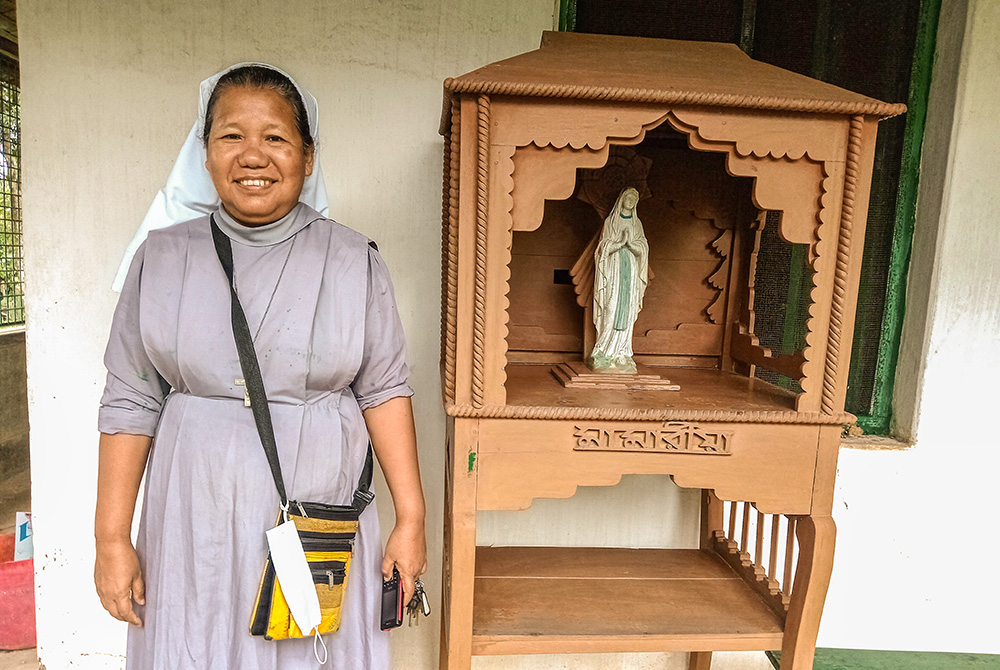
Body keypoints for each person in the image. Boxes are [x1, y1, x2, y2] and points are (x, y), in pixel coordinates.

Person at [94, 63, 426, 669]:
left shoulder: (353, 260)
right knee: (198, 640)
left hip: (317, 504)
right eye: (230, 136)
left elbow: (384, 390)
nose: (253, 155)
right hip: (193, 507)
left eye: (274, 137)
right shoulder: (162, 259)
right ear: (204, 151)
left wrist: (413, 517)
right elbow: (130, 399)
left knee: (310, 648)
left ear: (308, 153)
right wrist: (111, 539)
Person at [590, 187, 649, 373]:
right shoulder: (611, 221)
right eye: (628, 197)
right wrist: (616, 245)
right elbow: (602, 247)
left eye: (634, 199)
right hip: (613, 271)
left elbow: (643, 247)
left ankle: (623, 353)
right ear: (621, 199)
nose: (631, 201)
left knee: (628, 310)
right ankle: (603, 351)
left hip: (630, 272)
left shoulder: (636, 223)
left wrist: (631, 244)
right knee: (611, 308)